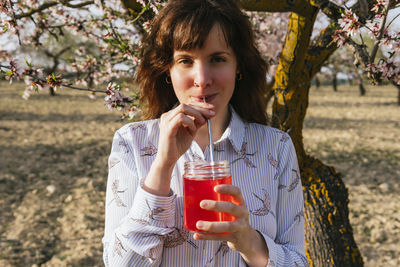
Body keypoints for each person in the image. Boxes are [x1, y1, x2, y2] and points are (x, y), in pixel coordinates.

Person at [102, 0, 307, 266]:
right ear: (168, 69)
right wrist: (163, 165)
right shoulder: (132, 142)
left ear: (239, 66)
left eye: (217, 59)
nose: (202, 78)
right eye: (185, 60)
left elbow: (296, 261)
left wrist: (247, 240)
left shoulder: (275, 146)